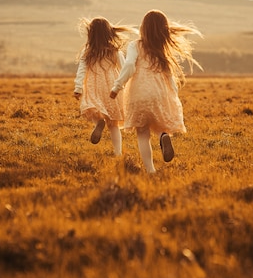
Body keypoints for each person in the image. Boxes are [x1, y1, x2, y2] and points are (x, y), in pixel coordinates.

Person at [110, 9, 202, 173]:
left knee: (143, 133)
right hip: (160, 92)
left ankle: (150, 170)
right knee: (160, 124)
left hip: (139, 93)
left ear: (143, 27)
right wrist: (173, 95)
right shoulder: (161, 50)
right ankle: (162, 136)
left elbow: (129, 65)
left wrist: (117, 86)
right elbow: (169, 76)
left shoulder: (135, 45)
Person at [73, 17, 135, 156]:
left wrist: (78, 88)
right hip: (112, 87)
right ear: (109, 33)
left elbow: (82, 69)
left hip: (93, 85)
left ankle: (98, 123)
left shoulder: (88, 51)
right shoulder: (114, 51)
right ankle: (118, 153)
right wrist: (126, 85)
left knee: (95, 110)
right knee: (114, 125)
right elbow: (124, 68)